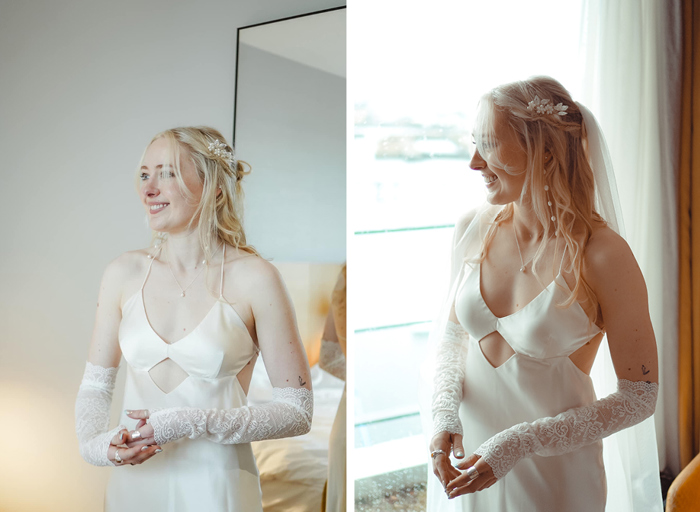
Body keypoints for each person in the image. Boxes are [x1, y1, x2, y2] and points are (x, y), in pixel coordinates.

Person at [425, 77, 662, 511]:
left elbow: (639, 396)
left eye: (490, 145)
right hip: (469, 468)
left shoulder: (603, 254)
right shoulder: (472, 229)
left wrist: (518, 443)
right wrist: (443, 416)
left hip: (556, 481)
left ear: (545, 151)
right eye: (474, 144)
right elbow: (454, 337)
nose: (474, 163)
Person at [74, 126, 313, 511]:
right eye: (144, 174)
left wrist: (189, 422)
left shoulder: (256, 278)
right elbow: (95, 388)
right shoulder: (122, 273)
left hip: (217, 486)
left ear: (214, 186)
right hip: (134, 487)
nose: (149, 189)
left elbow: (297, 412)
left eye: (167, 172)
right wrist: (99, 448)